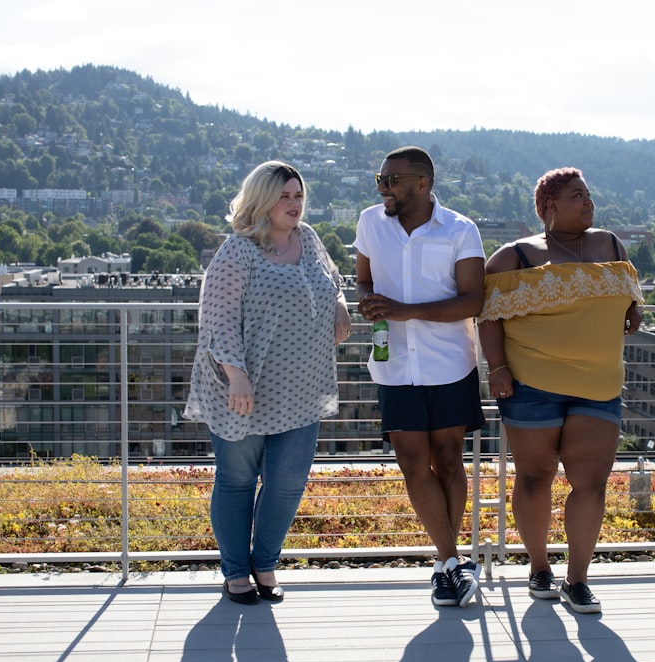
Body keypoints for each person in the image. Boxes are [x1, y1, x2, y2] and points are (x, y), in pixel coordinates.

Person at [184, 160, 351, 605]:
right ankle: (236, 571)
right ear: (262, 199)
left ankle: (265, 562)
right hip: (244, 388)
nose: (294, 204)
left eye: (298, 195)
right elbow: (216, 320)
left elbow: (331, 279)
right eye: (284, 195)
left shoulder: (310, 239)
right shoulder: (237, 250)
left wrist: (338, 301)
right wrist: (237, 376)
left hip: (302, 387)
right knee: (238, 479)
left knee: (288, 481)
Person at [478, 167, 644, 614]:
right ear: (549, 206)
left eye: (588, 194)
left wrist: (632, 310)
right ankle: (538, 568)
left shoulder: (610, 244)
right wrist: (497, 368)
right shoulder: (513, 257)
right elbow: (488, 317)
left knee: (591, 483)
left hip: (599, 385)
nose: (589, 202)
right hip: (533, 385)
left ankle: (578, 579)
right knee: (536, 477)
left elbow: (628, 293)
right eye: (577, 196)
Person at [353, 146, 487, 608]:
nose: (382, 188)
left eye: (391, 180)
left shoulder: (460, 230)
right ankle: (453, 561)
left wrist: (407, 312)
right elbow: (364, 281)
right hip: (393, 365)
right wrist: (370, 301)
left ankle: (441, 567)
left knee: (449, 460)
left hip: (449, 363)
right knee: (412, 464)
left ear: (421, 184)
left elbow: (473, 300)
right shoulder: (370, 222)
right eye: (380, 180)